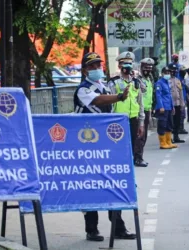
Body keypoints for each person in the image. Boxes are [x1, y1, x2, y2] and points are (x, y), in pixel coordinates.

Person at [74, 52, 136, 241]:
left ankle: (118, 227)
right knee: (90, 185)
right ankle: (91, 229)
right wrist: (118, 96)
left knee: (112, 182)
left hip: (106, 143)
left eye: (98, 65)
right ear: (84, 70)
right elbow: (98, 101)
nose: (96, 69)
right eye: (91, 66)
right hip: (87, 146)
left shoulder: (104, 85)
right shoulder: (83, 89)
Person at [108, 51, 145, 167]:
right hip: (118, 119)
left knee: (133, 143)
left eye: (130, 64)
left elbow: (140, 103)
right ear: (119, 66)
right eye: (124, 63)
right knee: (118, 144)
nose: (127, 66)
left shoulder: (136, 82)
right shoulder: (114, 82)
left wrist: (141, 123)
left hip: (133, 119)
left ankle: (129, 165)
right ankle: (119, 165)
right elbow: (109, 103)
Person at [134, 57, 155, 167]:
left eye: (150, 68)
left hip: (147, 110)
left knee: (144, 135)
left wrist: (151, 111)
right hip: (139, 111)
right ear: (141, 68)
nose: (148, 70)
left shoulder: (149, 79)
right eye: (146, 67)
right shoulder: (137, 80)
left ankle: (139, 155)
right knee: (140, 135)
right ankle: (138, 157)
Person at [154, 66, 177, 149]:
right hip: (163, 107)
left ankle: (168, 141)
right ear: (162, 73)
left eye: (169, 73)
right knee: (162, 125)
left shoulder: (168, 82)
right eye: (166, 73)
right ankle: (162, 143)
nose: (168, 74)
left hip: (169, 107)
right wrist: (161, 106)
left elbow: (169, 96)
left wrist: (172, 107)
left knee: (169, 124)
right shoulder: (159, 83)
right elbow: (158, 95)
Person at [168, 63, 185, 143]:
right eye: (171, 71)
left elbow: (181, 93)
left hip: (177, 104)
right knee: (170, 121)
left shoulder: (178, 81)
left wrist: (182, 104)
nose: (173, 72)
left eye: (174, 71)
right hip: (170, 105)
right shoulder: (167, 81)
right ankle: (169, 137)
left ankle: (176, 136)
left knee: (177, 121)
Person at [178, 66, 189, 134]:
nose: (185, 72)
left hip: (183, 98)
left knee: (183, 114)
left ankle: (181, 127)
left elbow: (184, 88)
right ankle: (180, 128)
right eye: (184, 71)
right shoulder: (178, 79)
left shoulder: (182, 79)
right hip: (180, 99)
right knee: (181, 114)